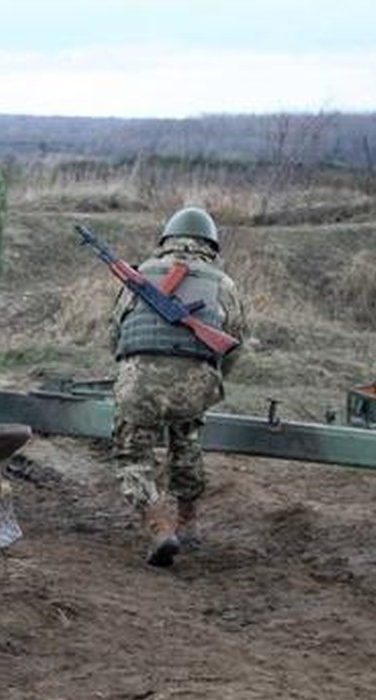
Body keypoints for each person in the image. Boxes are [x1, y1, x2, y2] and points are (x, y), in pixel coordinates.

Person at [109, 207, 248, 568]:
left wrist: (130, 373)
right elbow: (235, 343)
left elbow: (116, 333)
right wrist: (210, 381)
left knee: (133, 456)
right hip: (194, 383)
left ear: (166, 239)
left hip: (139, 382)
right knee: (186, 437)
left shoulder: (140, 275)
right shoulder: (223, 284)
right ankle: (188, 521)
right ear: (211, 244)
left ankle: (158, 526)